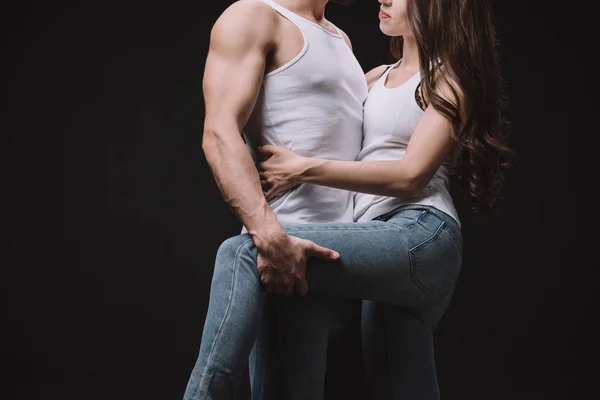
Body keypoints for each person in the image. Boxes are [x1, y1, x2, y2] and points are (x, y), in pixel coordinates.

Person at [185, 0, 514, 399]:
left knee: (240, 253)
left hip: (421, 230)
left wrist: (304, 167)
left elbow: (411, 176)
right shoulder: (372, 78)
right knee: (402, 382)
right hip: (373, 237)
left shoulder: (449, 77)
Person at [183, 0, 371, 399]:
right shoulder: (253, 15)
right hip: (288, 262)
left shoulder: (340, 37)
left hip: (349, 260)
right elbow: (219, 132)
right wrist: (271, 238)